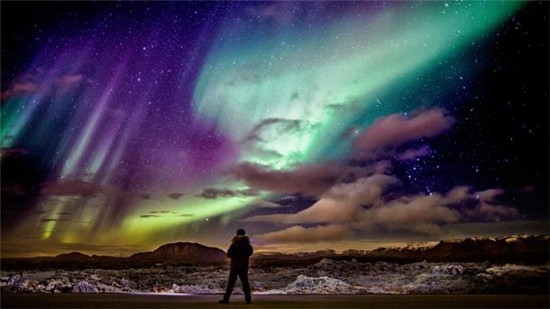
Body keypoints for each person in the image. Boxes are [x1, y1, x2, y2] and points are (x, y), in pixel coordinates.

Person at [219, 228, 253, 304]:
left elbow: (229, 254)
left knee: (231, 283)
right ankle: (248, 300)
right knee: (245, 283)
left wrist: (235, 256)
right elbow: (250, 253)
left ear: (237, 234)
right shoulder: (247, 244)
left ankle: (226, 299)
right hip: (244, 266)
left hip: (235, 266)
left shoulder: (234, 244)